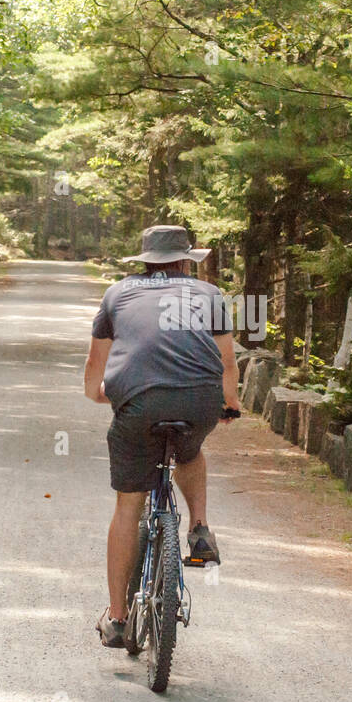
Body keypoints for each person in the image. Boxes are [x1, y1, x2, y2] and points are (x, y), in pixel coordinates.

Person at [84, 225, 241, 648]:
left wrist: (105, 396)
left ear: (146, 261)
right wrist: (229, 405)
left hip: (137, 404)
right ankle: (200, 528)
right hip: (199, 400)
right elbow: (227, 362)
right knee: (190, 451)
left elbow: (95, 368)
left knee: (128, 507)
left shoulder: (117, 295)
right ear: (187, 260)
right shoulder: (209, 295)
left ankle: (117, 620)